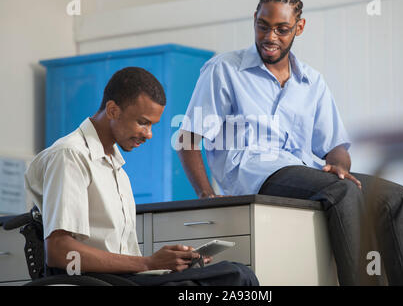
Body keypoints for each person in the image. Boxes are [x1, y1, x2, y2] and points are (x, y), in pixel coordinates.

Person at [177, 0, 403, 286]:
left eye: (282, 29)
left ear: (299, 27)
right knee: (343, 191)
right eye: (262, 26)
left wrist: (339, 165)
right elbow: (188, 139)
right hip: (254, 173)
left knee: (399, 198)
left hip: (304, 171)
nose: (270, 37)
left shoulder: (312, 81)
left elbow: (335, 146)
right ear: (254, 19)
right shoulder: (224, 69)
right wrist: (206, 195)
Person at [24, 67, 258, 286]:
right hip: (96, 280)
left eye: (152, 125)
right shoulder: (70, 155)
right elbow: (59, 252)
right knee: (235, 276)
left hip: (127, 277)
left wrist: (167, 264)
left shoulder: (115, 167)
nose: (148, 134)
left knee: (235, 274)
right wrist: (149, 263)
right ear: (113, 110)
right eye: (143, 123)